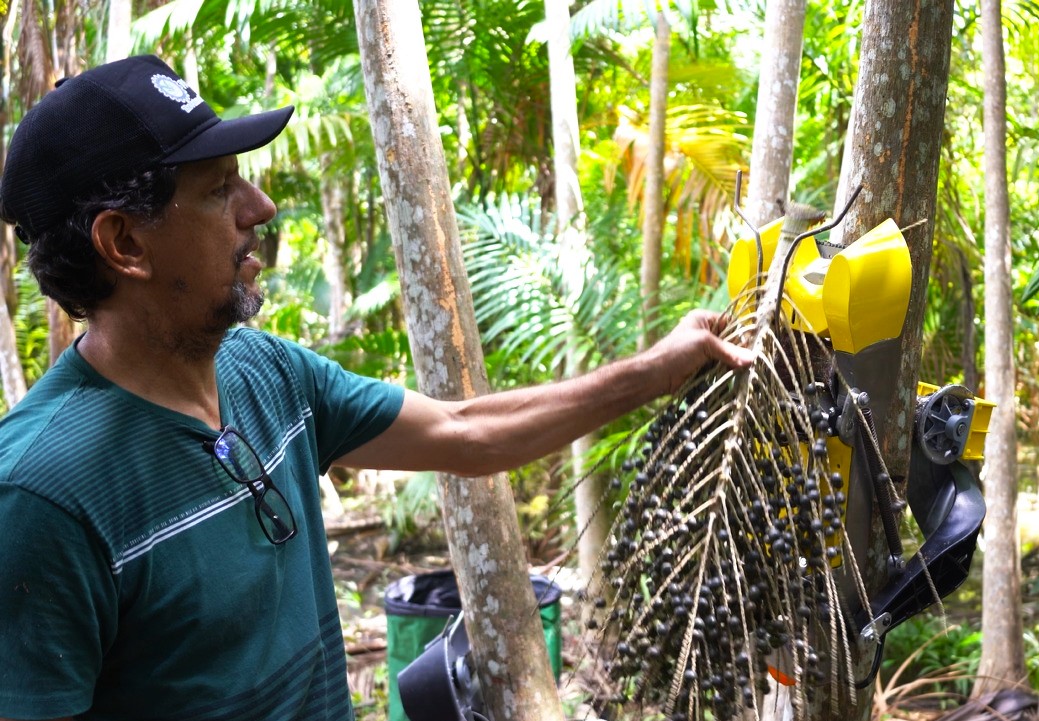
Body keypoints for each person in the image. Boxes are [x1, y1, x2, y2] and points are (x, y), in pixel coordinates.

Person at [0, 55, 751, 721]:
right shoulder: (41, 496)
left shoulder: (267, 373)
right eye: (219, 188)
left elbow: (466, 430)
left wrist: (658, 368)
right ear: (124, 243)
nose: (258, 209)